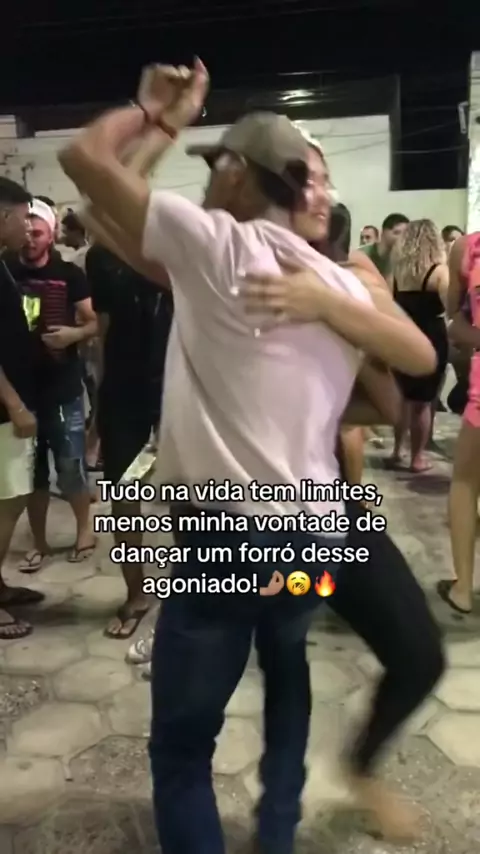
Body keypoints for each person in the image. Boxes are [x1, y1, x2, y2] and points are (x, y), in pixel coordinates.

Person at [58, 61, 436, 854]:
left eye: (220, 163)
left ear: (242, 173)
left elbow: (87, 168)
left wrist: (157, 119)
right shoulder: (335, 277)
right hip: (314, 541)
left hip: (226, 543)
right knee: (287, 657)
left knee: (182, 746)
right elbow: (418, 361)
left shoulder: (217, 246)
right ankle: (276, 831)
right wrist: (332, 310)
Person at [5, 199, 98, 571]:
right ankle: (39, 541)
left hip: (62, 387)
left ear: (51, 235)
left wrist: (72, 334)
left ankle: (85, 530)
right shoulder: (6, 269)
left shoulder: (69, 273)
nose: (30, 239)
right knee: (34, 474)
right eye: (26, 231)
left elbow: (94, 321)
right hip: (22, 390)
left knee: (70, 464)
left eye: (38, 233)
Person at [86, 244, 173, 638]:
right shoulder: (101, 256)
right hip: (123, 389)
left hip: (177, 385)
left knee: (188, 494)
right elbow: (103, 332)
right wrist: (98, 407)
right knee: (124, 492)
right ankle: (137, 594)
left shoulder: (171, 238)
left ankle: (191, 592)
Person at [0, 177, 45, 639]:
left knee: (9, 498)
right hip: (2, 410)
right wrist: (14, 404)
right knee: (7, 502)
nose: (28, 227)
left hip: (12, 403)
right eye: (23, 217)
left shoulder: (5, 264)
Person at [437, 232, 480, 614]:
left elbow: (455, 317)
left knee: (466, 482)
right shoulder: (466, 248)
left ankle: (463, 588)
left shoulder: (469, 248)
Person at [388, 219, 449, 472]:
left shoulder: (397, 274)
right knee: (422, 402)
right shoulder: (439, 272)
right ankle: (417, 458)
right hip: (431, 338)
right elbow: (451, 306)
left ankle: (396, 451)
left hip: (402, 337)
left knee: (402, 398)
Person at [360, 213, 409, 288]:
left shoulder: (403, 258)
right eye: (397, 233)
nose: (402, 238)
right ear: (383, 232)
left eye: (405, 234)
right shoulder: (363, 254)